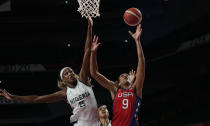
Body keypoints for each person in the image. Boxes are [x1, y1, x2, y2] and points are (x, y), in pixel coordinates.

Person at [0, 17, 101, 126]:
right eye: (66, 73)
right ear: (63, 80)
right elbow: (37, 99)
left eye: (71, 71)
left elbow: (86, 52)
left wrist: (90, 27)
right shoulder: (64, 94)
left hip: (98, 123)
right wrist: (13, 97)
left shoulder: (83, 80)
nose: (70, 73)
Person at [90, 24, 145, 126]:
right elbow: (94, 73)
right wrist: (93, 53)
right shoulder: (115, 89)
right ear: (118, 82)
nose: (125, 75)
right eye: (122, 76)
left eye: (127, 75)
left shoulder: (136, 89)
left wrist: (137, 41)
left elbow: (141, 62)